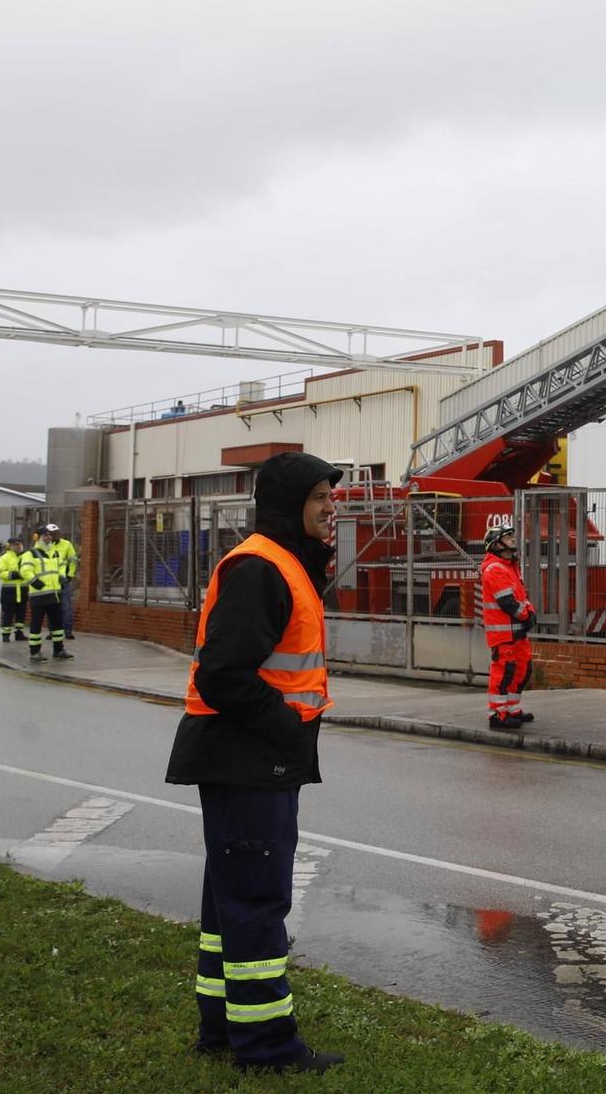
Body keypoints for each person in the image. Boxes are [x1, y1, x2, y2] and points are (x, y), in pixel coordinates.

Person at [166, 451, 345, 1075]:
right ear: (288, 503)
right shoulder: (262, 567)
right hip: (249, 758)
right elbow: (223, 675)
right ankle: (267, 1049)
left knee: (229, 904)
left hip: (252, 760)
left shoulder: (284, 564)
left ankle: (222, 1029)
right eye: (320, 495)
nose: (332, 506)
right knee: (255, 903)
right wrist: (285, 729)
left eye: (331, 494)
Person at [479, 523, 536, 730]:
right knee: (504, 673)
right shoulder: (494, 569)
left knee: (521, 671)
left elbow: (521, 596)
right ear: (496, 544)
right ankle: (497, 715)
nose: (513, 539)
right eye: (507, 536)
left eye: (512, 535)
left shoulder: (510, 566)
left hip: (517, 632)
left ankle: (511, 709)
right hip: (504, 634)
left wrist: (530, 612)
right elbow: (507, 602)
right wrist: (526, 615)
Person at [20, 527, 70, 662]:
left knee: (57, 623)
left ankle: (58, 650)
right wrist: (36, 583)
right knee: (37, 623)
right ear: (38, 537)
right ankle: (35, 652)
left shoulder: (54, 553)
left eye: (50, 535)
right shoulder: (30, 554)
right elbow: (25, 571)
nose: (49, 537)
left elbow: (61, 566)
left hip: (54, 593)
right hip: (39, 595)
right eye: (45, 535)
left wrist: (62, 576)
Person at [45, 522, 80, 641]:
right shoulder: (44, 545)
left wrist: (70, 574)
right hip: (49, 581)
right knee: (51, 607)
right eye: (53, 534)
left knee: (66, 607)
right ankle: (52, 631)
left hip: (63, 580)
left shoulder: (66, 544)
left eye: (57, 533)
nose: (56, 536)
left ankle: (68, 631)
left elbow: (73, 560)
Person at [0, 536, 29, 644]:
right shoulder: (5, 557)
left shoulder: (27, 556)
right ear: (10, 546)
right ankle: (6, 634)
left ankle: (19, 633)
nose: (18, 546)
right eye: (15, 544)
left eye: (19, 543)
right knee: (8, 613)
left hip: (23, 589)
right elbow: (0, 572)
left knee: (21, 613)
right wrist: (12, 575)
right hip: (9, 591)